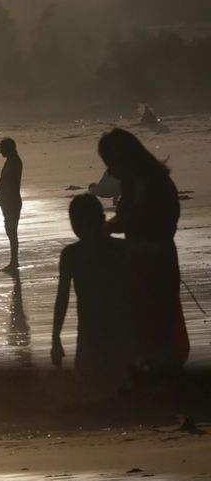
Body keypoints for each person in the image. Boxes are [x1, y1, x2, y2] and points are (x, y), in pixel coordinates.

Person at [98, 128, 189, 372]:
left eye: (110, 164)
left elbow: (145, 220)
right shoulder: (133, 183)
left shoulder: (157, 184)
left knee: (157, 323)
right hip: (139, 262)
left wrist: (108, 227)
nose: (110, 171)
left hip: (156, 263)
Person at [51, 194, 134, 379]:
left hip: (90, 335)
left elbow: (62, 299)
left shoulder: (72, 255)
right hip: (123, 332)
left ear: (74, 225)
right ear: (102, 219)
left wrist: (55, 339)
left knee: (91, 389)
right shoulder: (123, 249)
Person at [0, 137, 23, 272]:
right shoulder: (10, 161)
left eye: (2, 149)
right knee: (10, 231)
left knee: (12, 232)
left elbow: (11, 184)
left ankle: (14, 261)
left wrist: (5, 199)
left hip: (11, 202)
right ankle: (14, 261)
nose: (0, 152)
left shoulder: (15, 162)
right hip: (7, 202)